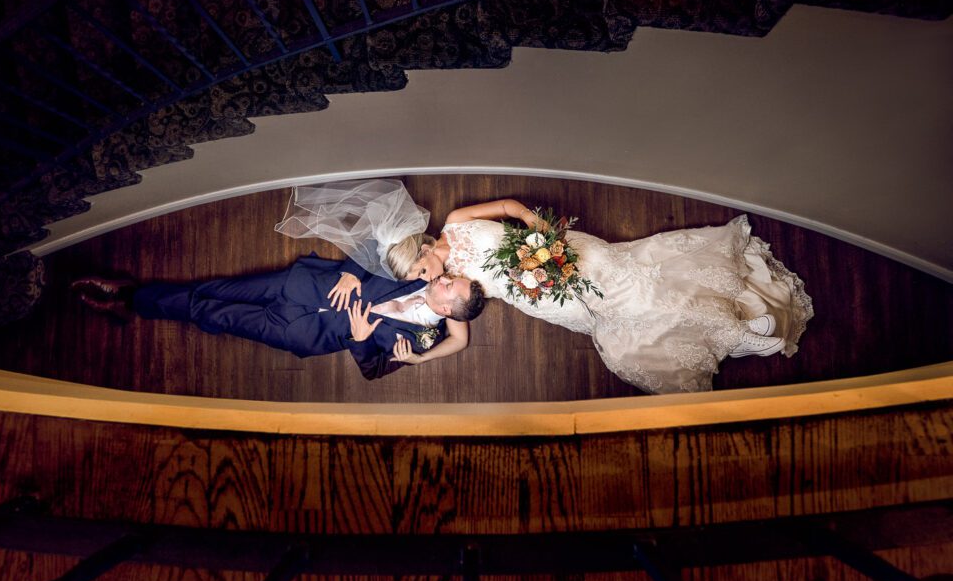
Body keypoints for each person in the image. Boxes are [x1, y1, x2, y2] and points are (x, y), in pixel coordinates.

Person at [278, 180, 814, 394]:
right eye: (416, 280)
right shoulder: (447, 289)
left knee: (635, 282)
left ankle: (739, 323)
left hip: (564, 253)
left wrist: (545, 243)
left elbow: (511, 209)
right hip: (538, 293)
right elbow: (460, 338)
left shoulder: (461, 220)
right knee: (620, 320)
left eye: (417, 271)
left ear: (423, 249)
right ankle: (737, 331)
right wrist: (417, 362)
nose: (422, 280)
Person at [74, 253, 486, 380]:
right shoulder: (421, 271)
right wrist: (349, 271)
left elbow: (374, 370)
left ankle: (128, 300)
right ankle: (136, 294)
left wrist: (361, 339)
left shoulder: (415, 344)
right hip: (298, 285)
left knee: (215, 315)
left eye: (453, 286)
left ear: (447, 310)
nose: (447, 279)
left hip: (298, 332)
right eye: (453, 278)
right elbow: (377, 247)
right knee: (216, 288)